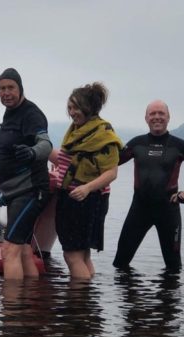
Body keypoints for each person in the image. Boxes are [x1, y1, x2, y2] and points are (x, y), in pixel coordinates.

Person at [113, 100, 184, 271]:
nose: (157, 117)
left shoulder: (178, 145)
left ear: (168, 117)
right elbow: (110, 163)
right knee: (120, 264)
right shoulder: (137, 143)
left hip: (168, 210)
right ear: (146, 118)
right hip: (139, 209)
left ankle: (168, 298)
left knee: (173, 268)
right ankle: (130, 297)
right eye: (153, 114)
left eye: (161, 113)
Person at [49, 82, 123, 279]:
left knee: (72, 255)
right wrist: (42, 149)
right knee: (82, 254)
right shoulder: (77, 130)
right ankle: (87, 303)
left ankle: (78, 304)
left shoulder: (103, 134)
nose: (72, 112)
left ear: (88, 107)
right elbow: (70, 160)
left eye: (76, 107)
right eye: (70, 108)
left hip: (86, 200)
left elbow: (111, 172)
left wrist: (87, 188)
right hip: (74, 198)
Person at [0, 68, 52, 280]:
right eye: (2, 89)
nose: (6, 93)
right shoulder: (10, 113)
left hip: (29, 190)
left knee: (9, 251)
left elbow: (45, 144)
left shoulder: (31, 114)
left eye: (11, 88)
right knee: (24, 250)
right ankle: (30, 306)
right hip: (13, 192)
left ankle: (12, 311)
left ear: (20, 88)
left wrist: (32, 152)